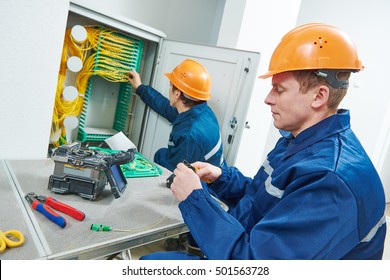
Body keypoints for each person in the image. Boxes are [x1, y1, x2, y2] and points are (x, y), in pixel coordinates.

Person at [140, 23, 387, 260]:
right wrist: (221, 177)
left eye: (278, 90)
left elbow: (255, 264)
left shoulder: (329, 181)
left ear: (319, 96)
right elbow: (260, 197)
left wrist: (194, 198)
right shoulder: (297, 141)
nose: (268, 99)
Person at [127, 59, 225, 254]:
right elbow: (167, 108)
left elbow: (177, 180)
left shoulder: (190, 135)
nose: (169, 89)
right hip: (206, 173)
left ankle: (180, 236)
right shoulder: (199, 110)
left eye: (171, 86)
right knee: (160, 155)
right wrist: (140, 87)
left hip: (205, 189)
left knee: (162, 176)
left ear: (178, 93)